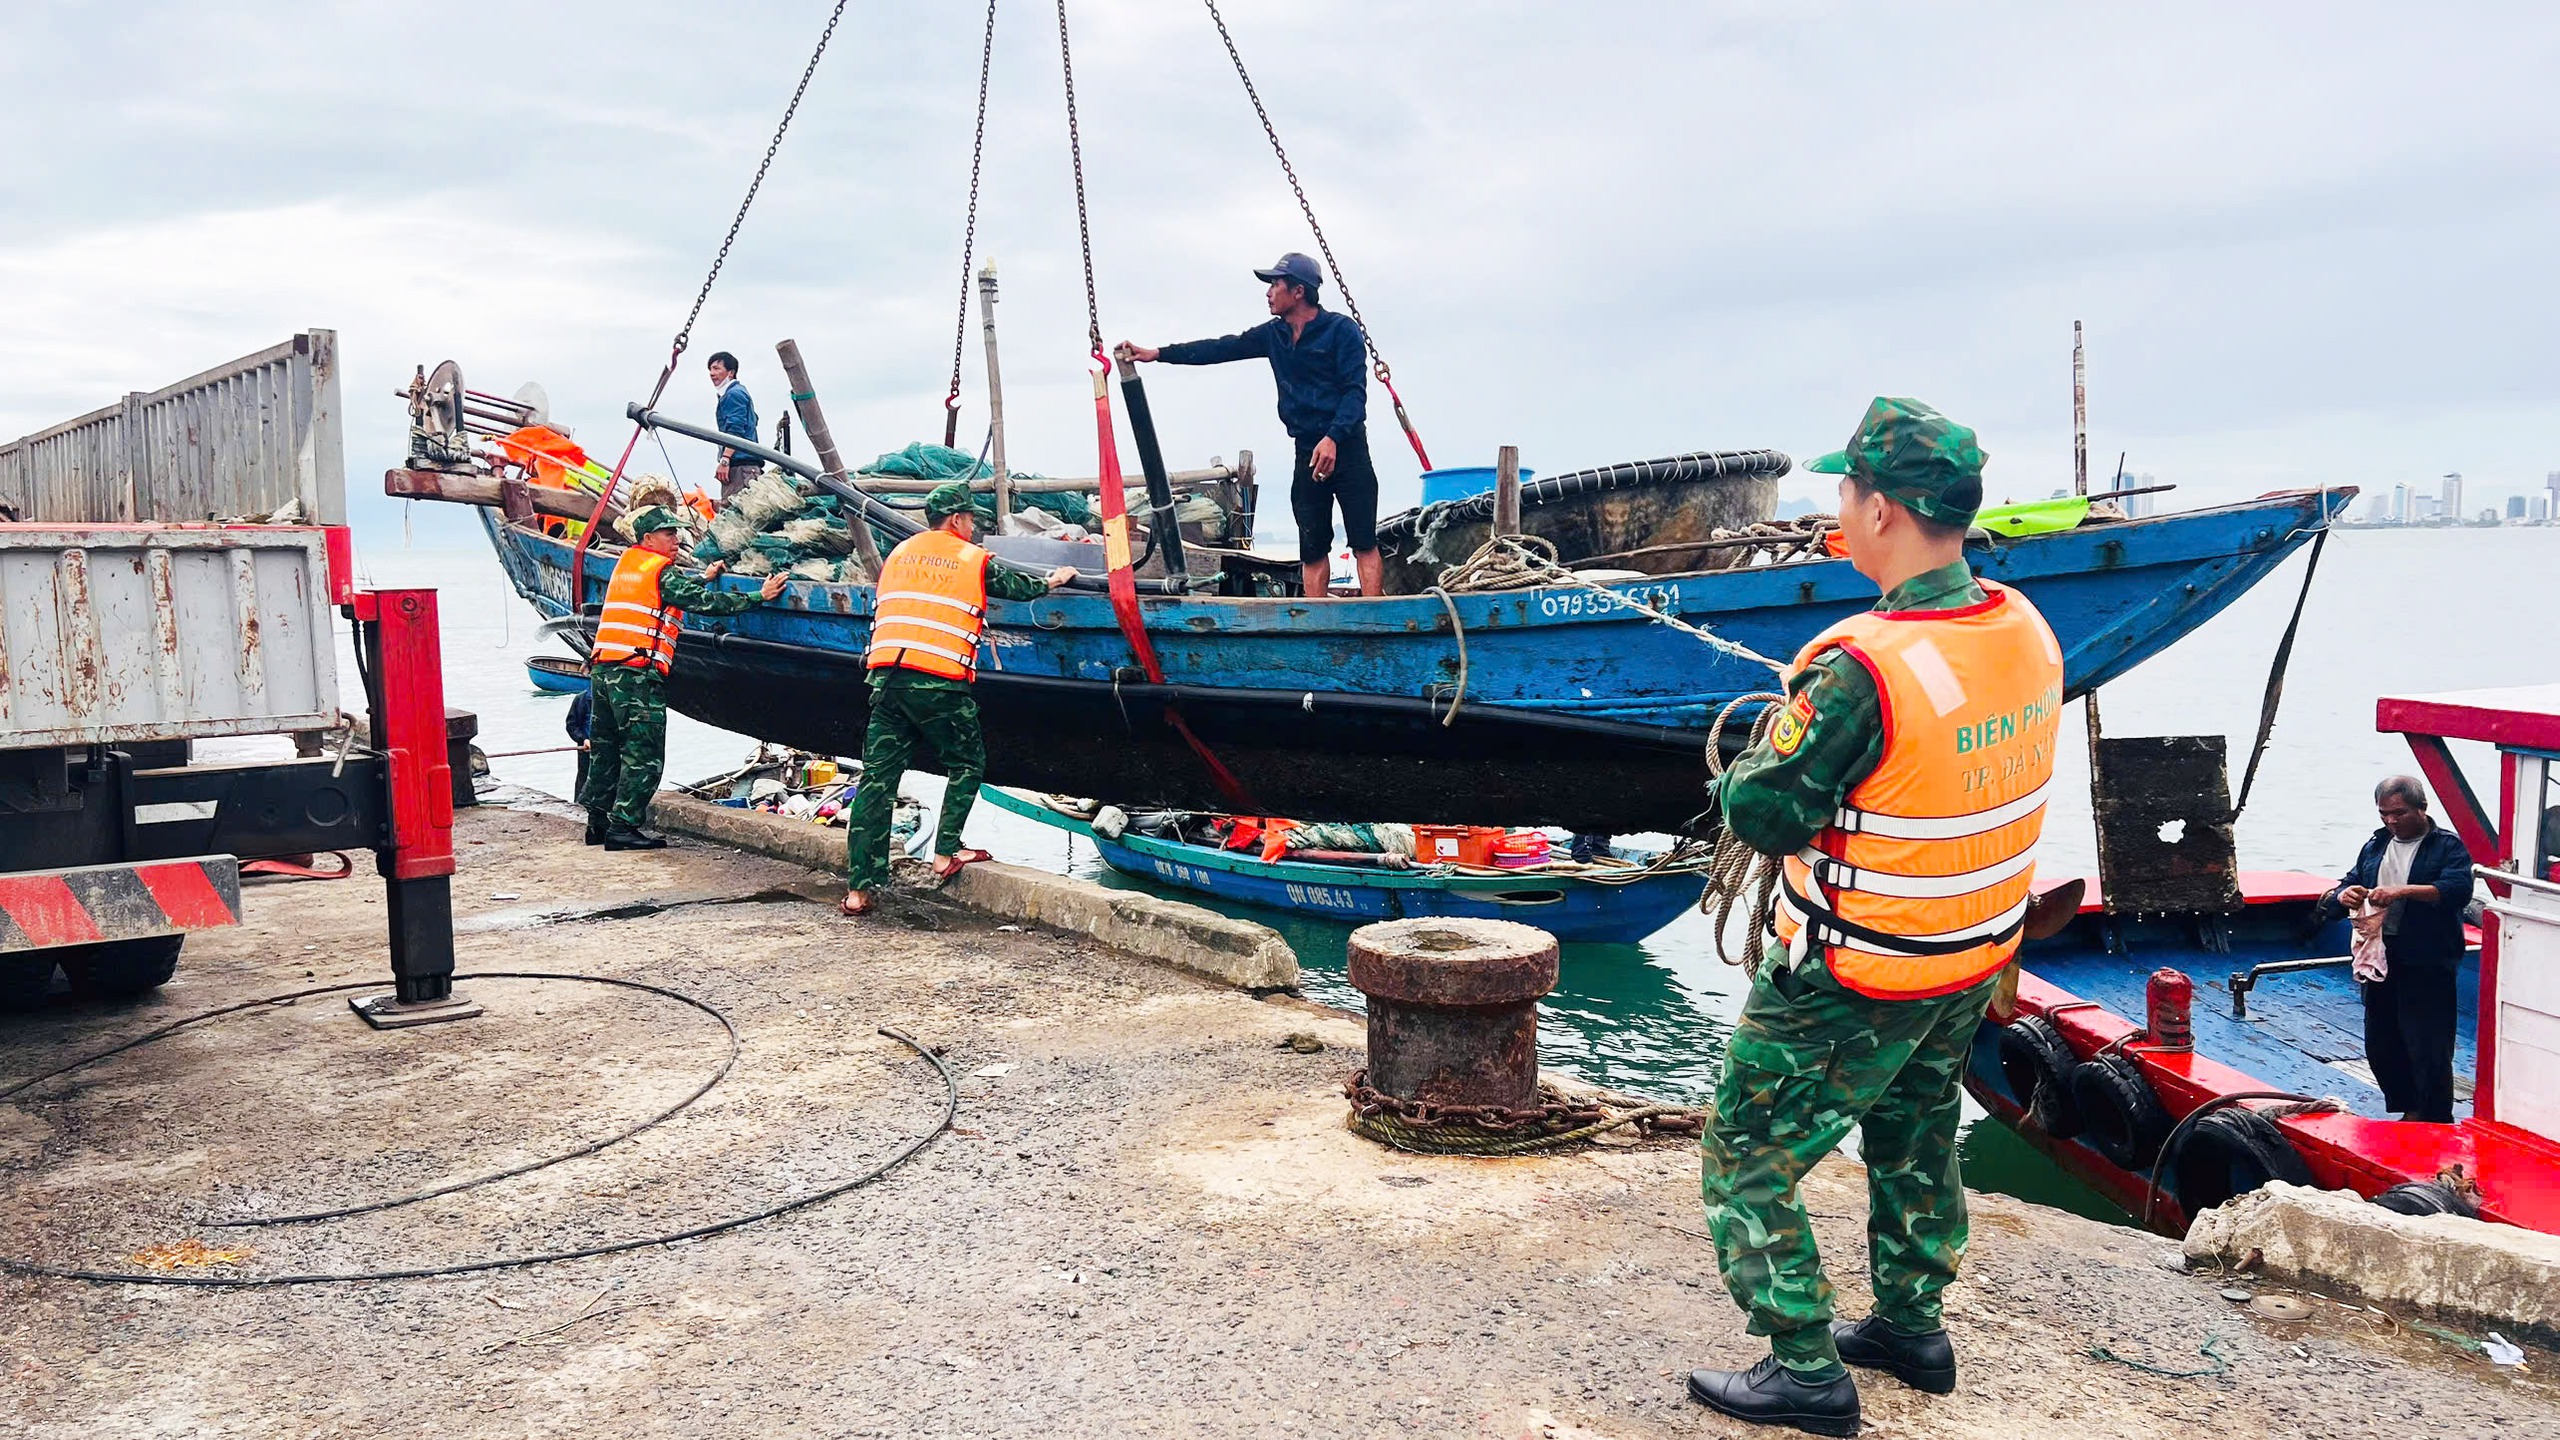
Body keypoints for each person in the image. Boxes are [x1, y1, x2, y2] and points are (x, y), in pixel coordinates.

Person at [1686, 398, 2063, 1437]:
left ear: (1883, 509)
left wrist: (1768, 745)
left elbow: (1763, 812)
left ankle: (1804, 1365)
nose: (1836, 509)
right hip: (1969, 955)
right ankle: (1911, 1324)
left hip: (1853, 969)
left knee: (1745, 1154)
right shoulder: (2024, 628)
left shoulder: (1861, 668)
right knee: (1914, 1129)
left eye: (1844, 492)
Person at [839, 483, 1078, 916]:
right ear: (955, 520)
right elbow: (1017, 586)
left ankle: (859, 888)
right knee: (966, 762)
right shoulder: (971, 558)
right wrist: (1053, 580)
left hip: (887, 678)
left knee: (877, 781)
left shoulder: (900, 553)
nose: (974, 526)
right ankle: (947, 852)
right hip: (938, 684)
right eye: (970, 518)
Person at [1117, 252, 1379, 598]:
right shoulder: (1274, 335)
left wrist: (1333, 437)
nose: (1268, 292)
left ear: (1298, 291)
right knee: (1312, 548)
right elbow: (1220, 348)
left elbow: (1354, 393)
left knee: (1363, 541)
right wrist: (1158, 353)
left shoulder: (1341, 330)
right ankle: (1320, 625)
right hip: (1306, 450)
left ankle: (1373, 620)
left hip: (1347, 447)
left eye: (1275, 285)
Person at [582, 508, 787, 850]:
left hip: (604, 672)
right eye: (668, 534)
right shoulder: (661, 570)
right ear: (648, 539)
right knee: (643, 753)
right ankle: (624, 827)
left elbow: (665, 593)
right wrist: (757, 597)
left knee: (606, 750)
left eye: (676, 534)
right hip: (635, 674)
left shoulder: (629, 564)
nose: (677, 540)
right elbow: (705, 603)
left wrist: (703, 576)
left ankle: (598, 824)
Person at [2318, 776, 2474, 1123]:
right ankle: (2408, 1107)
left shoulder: (2447, 846)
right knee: (2382, 1039)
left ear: (2422, 808)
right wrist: (2345, 893)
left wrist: (2402, 891)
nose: (2391, 821)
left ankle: (2435, 1115)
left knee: (2429, 1042)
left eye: (2399, 813)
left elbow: (2457, 889)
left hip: (2428, 957)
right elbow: (2351, 878)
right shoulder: (2376, 844)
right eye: (2384, 814)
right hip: (2381, 954)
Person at [708, 352, 761, 501]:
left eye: (717, 368)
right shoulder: (733, 393)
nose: (712, 374)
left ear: (731, 372)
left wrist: (725, 460)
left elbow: (736, 431)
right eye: (710, 370)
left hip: (741, 468)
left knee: (735, 515)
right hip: (744, 466)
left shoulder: (733, 395)